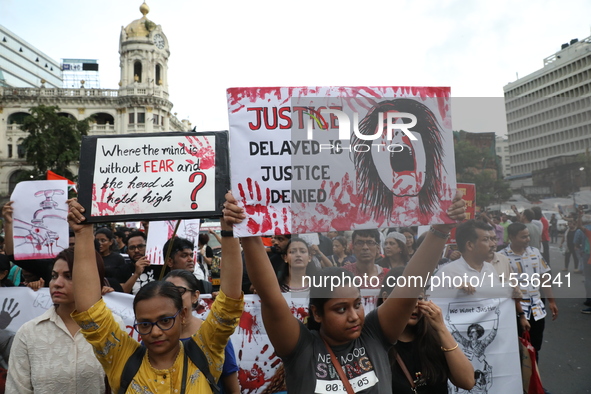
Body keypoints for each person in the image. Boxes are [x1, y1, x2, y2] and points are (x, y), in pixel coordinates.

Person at [224, 191, 465, 393]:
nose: (354, 316)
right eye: (340, 309)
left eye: (357, 304)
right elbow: (271, 298)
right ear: (317, 314)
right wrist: (247, 231)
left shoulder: (374, 336)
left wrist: (441, 230)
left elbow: (411, 284)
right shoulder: (301, 348)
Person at [67, 198, 244, 393]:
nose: (156, 332)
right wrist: (83, 232)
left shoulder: (205, 350)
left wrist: (229, 229)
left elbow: (229, 303)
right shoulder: (122, 358)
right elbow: (89, 312)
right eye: (145, 324)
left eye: (165, 320)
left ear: (183, 315)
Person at [6, 247, 116, 393]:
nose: (57, 283)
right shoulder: (29, 333)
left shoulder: (111, 326)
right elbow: (17, 389)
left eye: (69, 276)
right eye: (53, 276)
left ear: (93, 279)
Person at [378, 269, 474, 393]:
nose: (415, 304)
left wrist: (441, 328)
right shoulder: (375, 343)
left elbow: (467, 381)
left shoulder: (434, 337)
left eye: (419, 297)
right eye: (407, 297)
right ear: (386, 298)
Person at [163, 269, 240, 394]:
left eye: (179, 291)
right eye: (166, 293)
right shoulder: (155, 336)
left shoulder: (213, 334)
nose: (172, 298)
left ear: (195, 296)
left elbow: (232, 387)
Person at [500, 222, 558, 361]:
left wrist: (551, 301)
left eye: (528, 236)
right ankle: (519, 380)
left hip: (537, 309)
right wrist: (520, 315)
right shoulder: (501, 257)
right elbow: (507, 288)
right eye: (523, 237)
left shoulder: (535, 252)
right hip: (515, 310)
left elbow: (544, 276)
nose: (527, 239)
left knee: (535, 347)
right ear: (512, 237)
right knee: (518, 348)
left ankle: (532, 380)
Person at [95, 227, 129, 291]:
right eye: (97, 241)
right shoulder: (91, 258)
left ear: (111, 242)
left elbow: (123, 282)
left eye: (103, 240)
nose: (99, 244)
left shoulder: (118, 258)